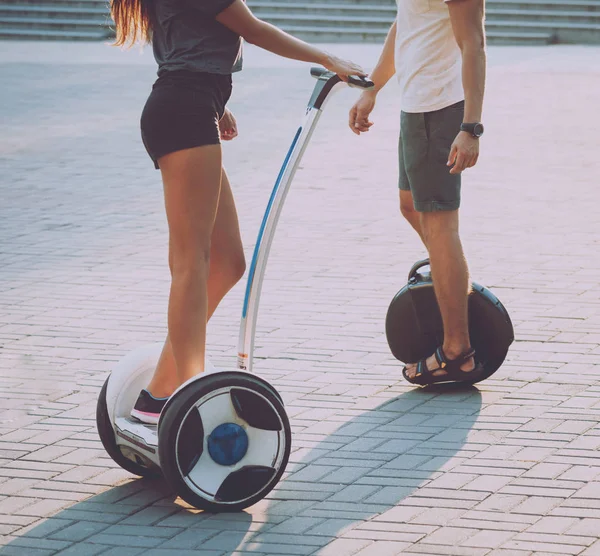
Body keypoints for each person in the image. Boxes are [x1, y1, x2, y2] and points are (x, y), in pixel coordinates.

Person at [109, 0, 365, 424]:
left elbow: (186, 41)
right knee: (192, 264)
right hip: (184, 111)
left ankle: (159, 390)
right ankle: (181, 392)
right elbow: (252, 27)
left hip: (191, 106)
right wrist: (327, 58)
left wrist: (218, 105)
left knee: (227, 262)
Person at [349, 0, 486, 386]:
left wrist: (471, 126)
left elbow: (473, 41)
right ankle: (453, 277)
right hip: (415, 106)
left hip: (441, 110)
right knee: (410, 206)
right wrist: (372, 88)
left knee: (439, 223)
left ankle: (458, 350)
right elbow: (405, 21)